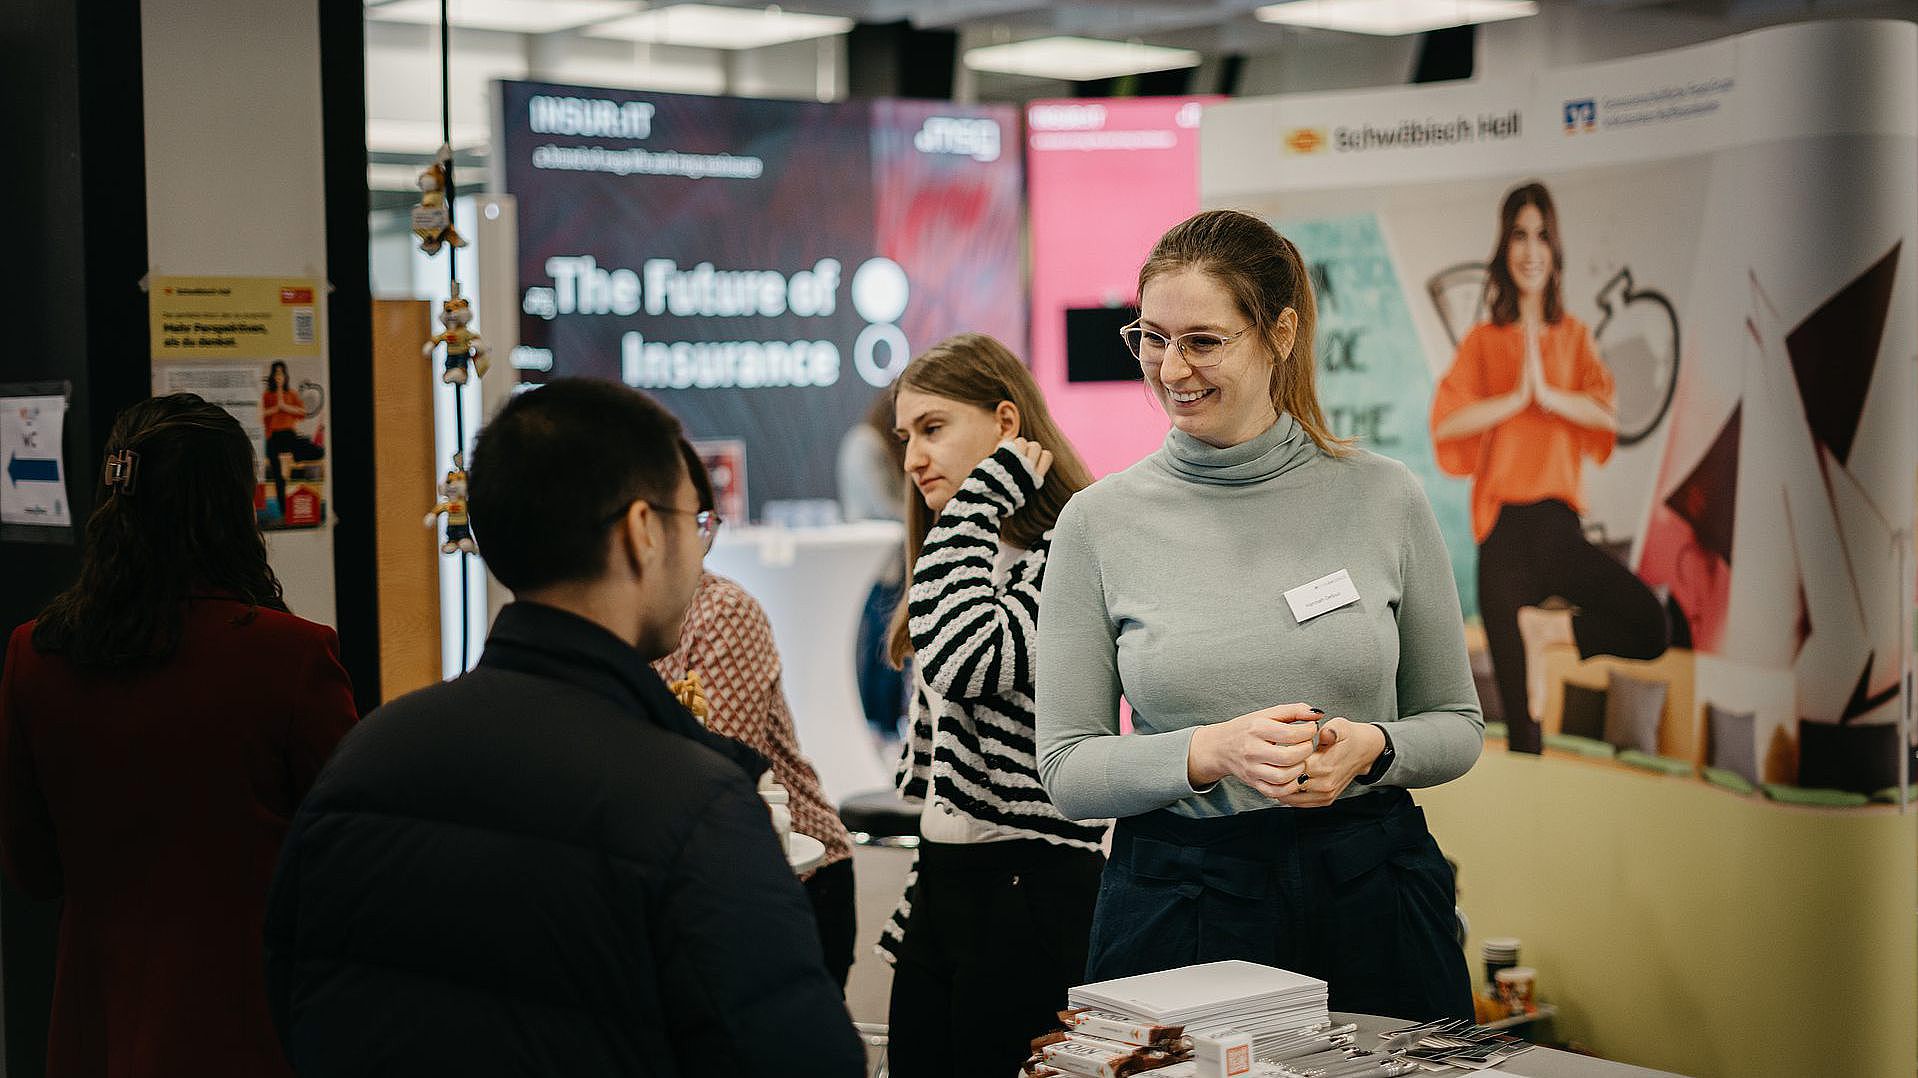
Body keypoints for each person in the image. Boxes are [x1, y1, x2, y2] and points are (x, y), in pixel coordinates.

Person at [264, 379, 864, 1077]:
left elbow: (295, 999)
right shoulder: (698, 805)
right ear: (643, 532)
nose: (701, 550)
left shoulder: (363, 759)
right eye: (694, 521)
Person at [1036, 210, 1481, 1022]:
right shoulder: (1098, 523)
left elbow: (1456, 725)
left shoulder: (1384, 497)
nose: (1172, 369)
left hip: (1373, 893)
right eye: (1152, 338)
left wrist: (1373, 749)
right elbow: (1067, 771)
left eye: (1203, 341)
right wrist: (1210, 752)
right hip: (1184, 903)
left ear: (1279, 333)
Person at [0, 393, 357, 1078]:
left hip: (93, 1032)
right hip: (249, 1029)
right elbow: (349, 862)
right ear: (234, 507)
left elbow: (32, 870)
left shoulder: (34, 655)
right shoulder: (290, 657)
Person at [877, 333, 1109, 1078]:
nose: (913, 457)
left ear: (1007, 425)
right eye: (905, 435)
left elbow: (967, 659)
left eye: (934, 428)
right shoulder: (957, 559)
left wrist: (976, 499)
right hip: (946, 878)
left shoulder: (1066, 552)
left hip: (1035, 882)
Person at [1430, 181, 1668, 754]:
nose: (1530, 248)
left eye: (1540, 235)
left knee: (1652, 627)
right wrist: (1513, 399)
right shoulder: (1484, 342)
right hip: (1503, 538)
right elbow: (1445, 425)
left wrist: (1547, 394)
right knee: (1523, 731)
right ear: (1505, 249)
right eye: (1518, 235)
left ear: (1553, 250)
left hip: (1559, 530)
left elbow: (1605, 417)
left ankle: (1551, 631)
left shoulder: (1576, 338)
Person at [654, 441, 860, 990]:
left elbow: (717, 767)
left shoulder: (720, 609)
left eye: (699, 524)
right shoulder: (627, 621)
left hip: (796, 872)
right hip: (705, 879)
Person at [837, 392, 910, 744]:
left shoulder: (871, 443)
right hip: (879, 566)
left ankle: (885, 723)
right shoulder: (866, 444)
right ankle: (879, 724)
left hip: (890, 563)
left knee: (889, 647)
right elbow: (880, 505)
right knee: (883, 646)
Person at [260, 360, 324, 517]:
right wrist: (277, 407)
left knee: (318, 451)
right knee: (277, 475)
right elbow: (261, 415)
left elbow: (302, 412)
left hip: (289, 435)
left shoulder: (292, 394)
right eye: (276, 373)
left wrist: (284, 406)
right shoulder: (268, 395)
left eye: (281, 373)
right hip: (274, 437)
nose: (279, 376)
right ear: (273, 375)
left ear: (285, 375)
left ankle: (297, 455)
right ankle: (283, 510)